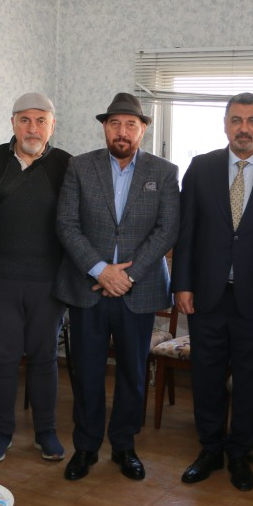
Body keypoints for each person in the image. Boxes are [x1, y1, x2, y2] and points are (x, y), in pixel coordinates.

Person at [173, 92, 253, 492]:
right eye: (236, 120)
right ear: (225, 124)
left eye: (252, 121)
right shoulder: (201, 167)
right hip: (207, 296)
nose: (244, 128)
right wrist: (182, 284)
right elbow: (186, 231)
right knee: (206, 377)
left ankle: (240, 454)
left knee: (250, 380)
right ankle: (210, 449)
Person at [55, 92, 179, 482]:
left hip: (138, 291)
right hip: (87, 289)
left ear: (142, 130)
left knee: (132, 373)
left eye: (130, 125)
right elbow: (66, 225)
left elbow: (167, 230)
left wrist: (127, 275)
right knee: (86, 372)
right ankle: (86, 446)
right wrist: (100, 271)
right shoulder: (79, 167)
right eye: (114, 124)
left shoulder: (164, 172)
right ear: (105, 128)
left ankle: (124, 445)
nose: (121, 131)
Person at [0, 93, 72, 463]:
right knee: (3, 358)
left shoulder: (66, 165)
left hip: (48, 282)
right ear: (13, 123)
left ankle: (46, 432)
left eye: (40, 120)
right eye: (25, 120)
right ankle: (2, 433)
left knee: (44, 357)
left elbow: (75, 221)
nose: (33, 128)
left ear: (52, 125)